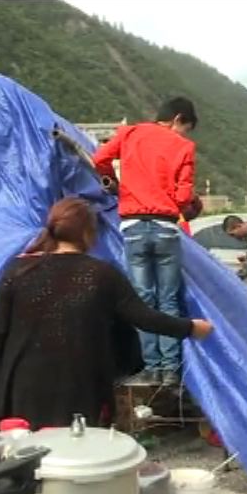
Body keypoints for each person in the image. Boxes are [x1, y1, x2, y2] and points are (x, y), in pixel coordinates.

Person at [0, 198, 213, 430]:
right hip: (80, 389)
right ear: (88, 233)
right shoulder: (102, 274)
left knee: (28, 459)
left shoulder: (19, 269)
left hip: (20, 388)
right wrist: (191, 328)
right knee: (79, 462)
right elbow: (144, 317)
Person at [91, 97, 200, 385]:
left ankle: (151, 369)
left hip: (134, 227)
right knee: (169, 300)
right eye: (185, 128)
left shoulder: (130, 133)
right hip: (166, 228)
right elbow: (183, 198)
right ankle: (171, 371)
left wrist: (112, 182)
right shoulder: (183, 147)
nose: (183, 135)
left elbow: (99, 159)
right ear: (178, 119)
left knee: (143, 300)